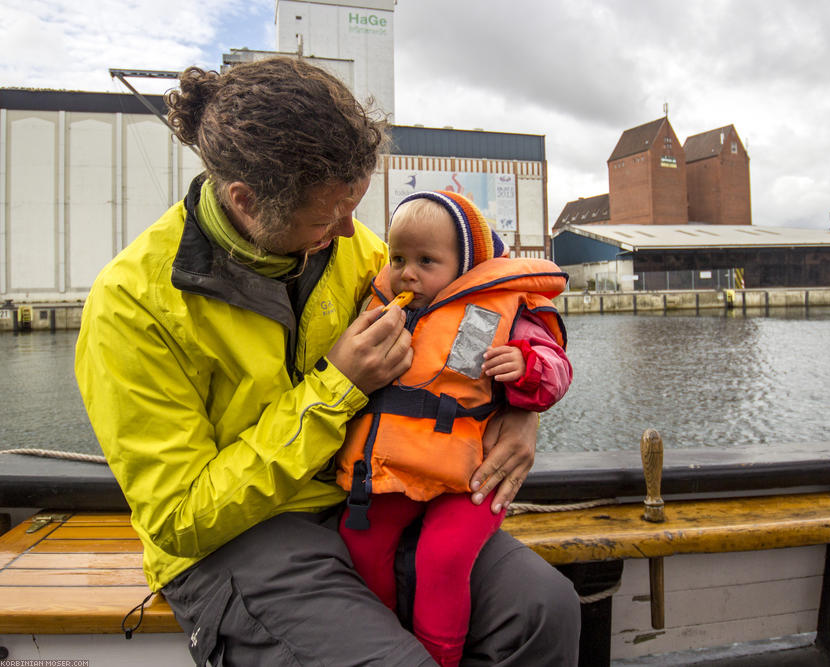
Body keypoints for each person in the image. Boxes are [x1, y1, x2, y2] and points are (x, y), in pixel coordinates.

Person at [74, 57, 580, 666]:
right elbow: (179, 516)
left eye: (354, 207)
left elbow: (476, 331)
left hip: (373, 497)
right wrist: (336, 385)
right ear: (246, 200)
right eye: (325, 218)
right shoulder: (131, 306)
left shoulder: (365, 255)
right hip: (235, 542)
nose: (349, 232)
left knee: (544, 611)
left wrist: (522, 411)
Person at [328, 190, 573, 666]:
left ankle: (440, 657)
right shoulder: (379, 303)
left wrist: (525, 366)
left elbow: (556, 374)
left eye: (426, 260)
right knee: (360, 539)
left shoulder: (505, 308)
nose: (407, 273)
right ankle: (388, 640)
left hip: (470, 477)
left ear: (465, 266)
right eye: (398, 257)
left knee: (443, 557)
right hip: (396, 469)